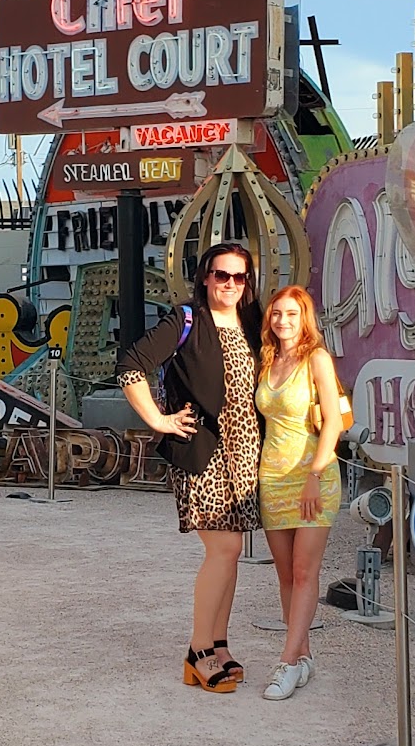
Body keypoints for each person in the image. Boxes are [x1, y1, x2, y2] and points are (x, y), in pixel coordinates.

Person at [115, 242, 263, 693]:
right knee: (223, 549)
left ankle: (219, 644)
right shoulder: (187, 320)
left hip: (245, 453)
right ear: (205, 277)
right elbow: (130, 366)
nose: (230, 284)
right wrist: (158, 420)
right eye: (222, 275)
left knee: (231, 552)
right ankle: (198, 651)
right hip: (204, 452)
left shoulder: (252, 323)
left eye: (239, 277)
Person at [256, 285, 344, 701]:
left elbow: (334, 422)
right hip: (272, 477)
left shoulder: (317, 359)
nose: (283, 321)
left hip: (314, 476)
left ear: (304, 317)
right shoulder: (267, 359)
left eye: (292, 314)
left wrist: (315, 474)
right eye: (277, 313)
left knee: (306, 571)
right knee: (286, 574)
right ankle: (304, 655)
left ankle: (287, 662)